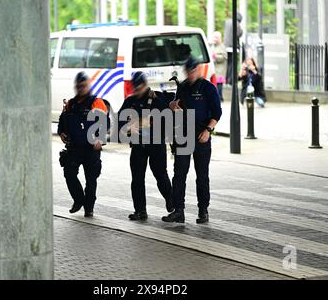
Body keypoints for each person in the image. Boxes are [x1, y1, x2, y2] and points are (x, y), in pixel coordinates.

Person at [162, 58, 222, 224]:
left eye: (193, 70)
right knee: (179, 175)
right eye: (188, 71)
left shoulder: (208, 88)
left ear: (199, 70)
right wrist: (173, 105)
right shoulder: (183, 87)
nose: (190, 73)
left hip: (201, 137)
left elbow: (217, 113)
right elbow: (177, 106)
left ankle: (203, 210)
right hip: (183, 135)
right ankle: (178, 211)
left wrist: (208, 130)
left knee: (202, 176)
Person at [118, 72, 174, 221]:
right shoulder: (130, 101)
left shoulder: (158, 98)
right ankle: (140, 210)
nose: (137, 90)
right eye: (135, 87)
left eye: (140, 87)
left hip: (156, 144)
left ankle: (171, 201)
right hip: (138, 145)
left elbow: (169, 115)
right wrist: (128, 128)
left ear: (145, 85)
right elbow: (119, 122)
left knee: (161, 175)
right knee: (137, 179)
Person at [58, 72, 108, 218]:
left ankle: (89, 208)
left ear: (88, 86)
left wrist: (100, 139)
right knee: (69, 173)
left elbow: (105, 122)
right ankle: (79, 200)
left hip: (91, 148)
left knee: (91, 179)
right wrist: (61, 132)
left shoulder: (96, 102)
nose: (81, 88)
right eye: (79, 86)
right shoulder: (71, 104)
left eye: (84, 85)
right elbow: (62, 121)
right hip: (74, 148)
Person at [224, 12, 244, 86]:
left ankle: (226, 80)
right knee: (233, 65)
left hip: (226, 47)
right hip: (233, 47)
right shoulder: (237, 24)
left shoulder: (227, 22)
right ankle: (230, 81)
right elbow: (239, 34)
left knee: (228, 64)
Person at [210, 31, 228, 102]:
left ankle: (220, 97)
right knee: (214, 84)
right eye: (214, 37)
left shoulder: (222, 46)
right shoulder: (212, 46)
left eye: (216, 38)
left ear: (219, 38)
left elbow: (224, 57)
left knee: (219, 84)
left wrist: (215, 57)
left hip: (220, 69)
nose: (215, 39)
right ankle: (217, 97)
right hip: (214, 68)